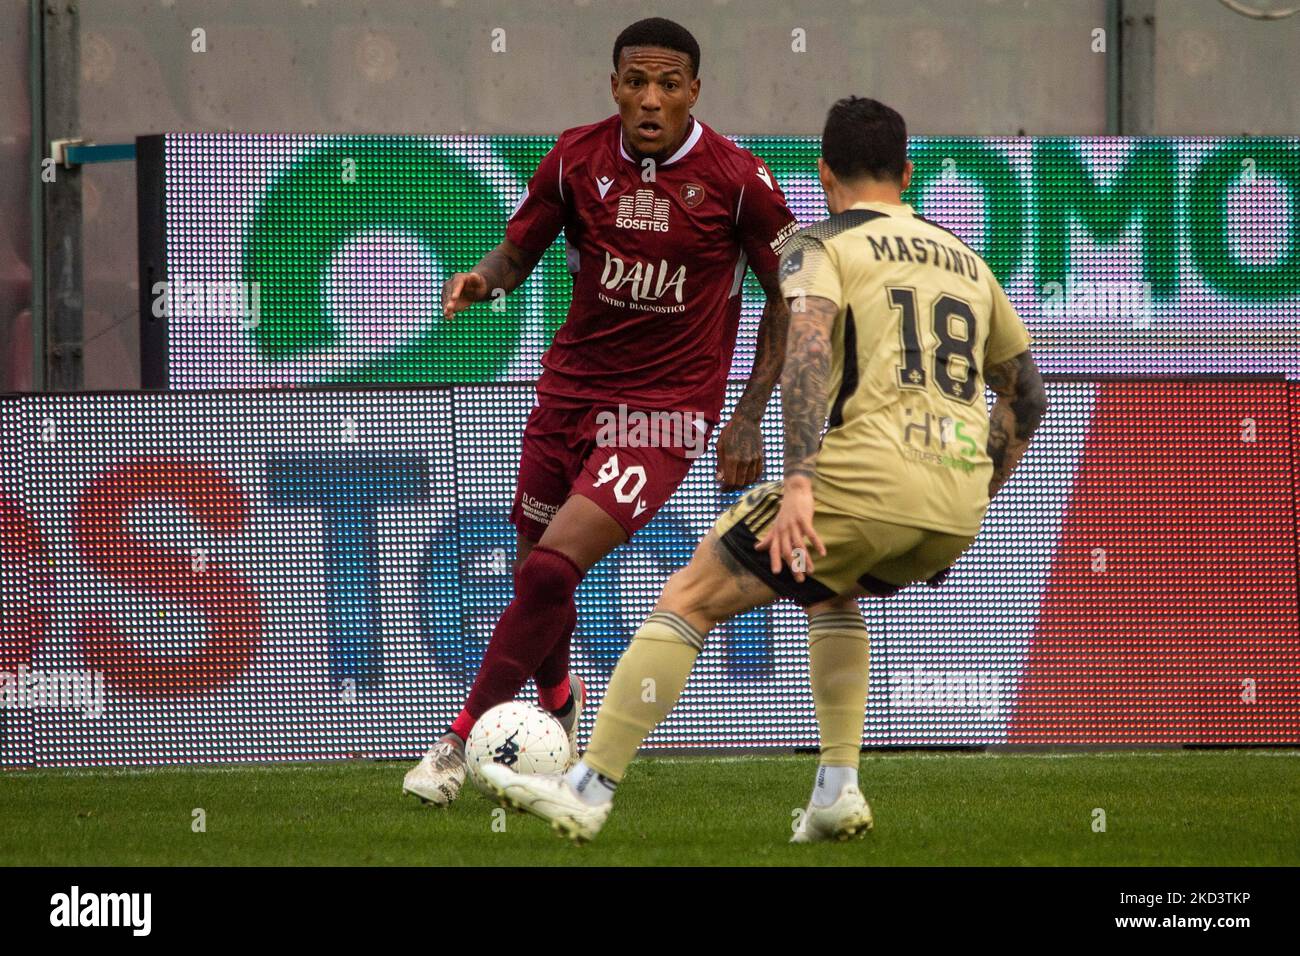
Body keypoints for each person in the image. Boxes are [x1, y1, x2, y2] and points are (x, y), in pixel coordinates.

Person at [481, 96, 1049, 843]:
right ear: (907, 174)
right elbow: (1028, 395)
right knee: (828, 591)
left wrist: (801, 484)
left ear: (823, 175)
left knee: (690, 595)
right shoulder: (967, 260)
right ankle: (838, 788)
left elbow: (806, 353)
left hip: (863, 480)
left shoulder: (819, 244)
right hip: (952, 500)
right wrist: (971, 495)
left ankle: (587, 790)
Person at [403, 17, 798, 806]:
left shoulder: (739, 180)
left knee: (552, 567)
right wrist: (483, 279)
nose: (650, 99)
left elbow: (789, 294)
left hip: (662, 413)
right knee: (531, 576)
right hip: (568, 396)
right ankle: (557, 707)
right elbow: (519, 250)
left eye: (668, 83)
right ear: (614, 85)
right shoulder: (576, 158)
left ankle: (454, 745)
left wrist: (750, 416)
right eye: (635, 82)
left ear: (695, 91)